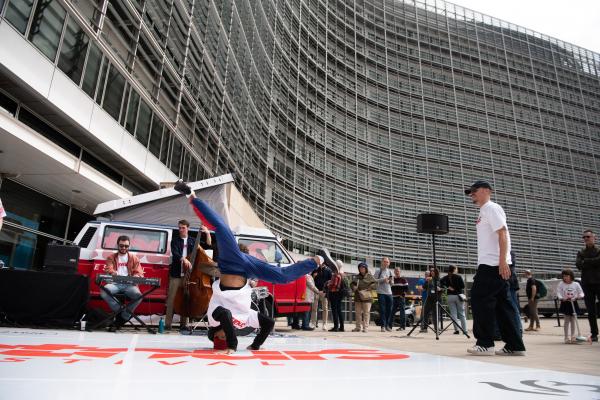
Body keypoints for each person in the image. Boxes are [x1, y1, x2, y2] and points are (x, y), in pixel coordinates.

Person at [173, 180, 333, 353]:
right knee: (282, 276)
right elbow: (268, 323)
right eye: (226, 338)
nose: (225, 335)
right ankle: (318, 259)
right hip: (248, 269)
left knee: (221, 227)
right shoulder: (245, 320)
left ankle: (191, 194)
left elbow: (226, 315)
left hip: (231, 264)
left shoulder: (213, 318)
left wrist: (232, 347)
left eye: (221, 337)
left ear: (215, 333)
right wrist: (255, 345)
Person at [465, 180, 525, 356]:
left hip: (492, 265)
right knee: (502, 305)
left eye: (474, 191)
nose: (472, 195)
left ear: (486, 191)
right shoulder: (484, 211)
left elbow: (503, 233)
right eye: (470, 193)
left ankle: (485, 343)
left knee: (479, 300)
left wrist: (503, 261)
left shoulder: (491, 208)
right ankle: (515, 345)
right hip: (494, 264)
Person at [165, 219, 212, 331]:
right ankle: (167, 324)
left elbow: (208, 245)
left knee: (186, 298)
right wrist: (183, 259)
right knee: (172, 299)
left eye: (183, 227)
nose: (181, 230)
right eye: (179, 227)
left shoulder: (193, 241)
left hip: (190, 275)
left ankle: (184, 324)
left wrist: (207, 233)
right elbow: (175, 253)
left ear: (188, 228)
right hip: (177, 274)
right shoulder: (175, 241)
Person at [100, 235, 144, 332]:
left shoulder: (134, 258)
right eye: (121, 246)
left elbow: (139, 272)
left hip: (129, 285)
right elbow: (109, 268)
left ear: (129, 246)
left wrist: (136, 276)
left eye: (126, 246)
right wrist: (113, 272)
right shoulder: (111, 257)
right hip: (115, 283)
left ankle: (124, 316)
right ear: (117, 245)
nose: (124, 248)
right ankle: (120, 311)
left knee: (138, 296)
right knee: (104, 291)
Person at [575, 229, 600, 342]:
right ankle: (594, 333)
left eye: (588, 237)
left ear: (594, 237)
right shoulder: (581, 252)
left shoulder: (599, 250)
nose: (585, 239)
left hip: (599, 282)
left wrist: (586, 261)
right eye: (584, 237)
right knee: (590, 310)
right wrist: (592, 262)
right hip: (587, 284)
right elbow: (579, 264)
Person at [557, 268, 584, 344]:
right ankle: (566, 337)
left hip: (573, 302)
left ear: (571, 276)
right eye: (564, 276)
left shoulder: (576, 284)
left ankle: (573, 337)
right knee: (566, 321)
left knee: (573, 320)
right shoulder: (561, 284)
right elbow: (558, 292)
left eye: (567, 276)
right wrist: (562, 298)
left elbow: (581, 292)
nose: (565, 277)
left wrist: (579, 296)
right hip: (565, 302)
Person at [440, 265, 467, 334]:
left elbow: (440, 282)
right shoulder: (458, 277)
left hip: (450, 296)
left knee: (453, 314)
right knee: (461, 313)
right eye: (456, 269)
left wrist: (448, 287)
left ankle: (456, 330)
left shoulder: (446, 277)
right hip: (458, 296)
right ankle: (464, 330)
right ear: (454, 269)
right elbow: (462, 286)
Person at [351, 262, 376, 332]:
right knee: (358, 313)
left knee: (366, 313)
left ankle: (365, 328)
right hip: (358, 297)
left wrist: (371, 287)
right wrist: (354, 287)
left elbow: (376, 284)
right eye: (360, 268)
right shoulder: (357, 277)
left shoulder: (370, 276)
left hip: (367, 298)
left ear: (366, 268)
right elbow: (352, 284)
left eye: (363, 268)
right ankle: (358, 327)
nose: (361, 269)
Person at [312, 262, 333, 330]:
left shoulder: (328, 270)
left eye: (321, 262)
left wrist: (326, 290)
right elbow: (311, 280)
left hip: (324, 292)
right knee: (314, 308)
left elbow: (331, 281)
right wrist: (313, 276)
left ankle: (324, 324)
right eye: (319, 263)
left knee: (325, 308)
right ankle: (313, 323)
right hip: (316, 291)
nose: (320, 264)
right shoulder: (315, 270)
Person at [374, 257, 393, 332]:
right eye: (384, 261)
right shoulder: (378, 271)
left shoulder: (390, 272)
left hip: (389, 293)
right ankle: (383, 326)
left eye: (387, 262)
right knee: (382, 310)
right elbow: (374, 280)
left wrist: (390, 282)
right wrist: (383, 280)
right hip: (381, 292)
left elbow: (392, 283)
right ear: (382, 262)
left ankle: (387, 325)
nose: (386, 263)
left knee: (389, 310)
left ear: (389, 263)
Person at [327, 260, 346, 332]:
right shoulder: (342, 273)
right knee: (339, 310)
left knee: (334, 310)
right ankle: (342, 327)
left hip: (334, 293)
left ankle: (336, 327)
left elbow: (334, 284)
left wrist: (329, 284)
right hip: (340, 294)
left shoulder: (336, 274)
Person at [420, 267, 441, 333]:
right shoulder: (428, 279)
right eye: (431, 271)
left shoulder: (439, 279)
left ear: (436, 272)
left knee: (435, 314)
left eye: (433, 271)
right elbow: (423, 287)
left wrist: (440, 289)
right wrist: (426, 282)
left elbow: (443, 288)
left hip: (436, 298)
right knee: (425, 312)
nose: (431, 272)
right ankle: (425, 328)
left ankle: (436, 328)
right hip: (429, 298)